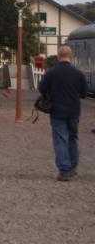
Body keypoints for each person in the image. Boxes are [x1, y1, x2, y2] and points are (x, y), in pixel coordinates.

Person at [38, 46, 87, 181]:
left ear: (58, 56)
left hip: (57, 110)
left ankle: (64, 171)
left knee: (60, 140)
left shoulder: (51, 73)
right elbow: (83, 94)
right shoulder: (78, 74)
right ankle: (73, 166)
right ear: (71, 57)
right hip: (74, 111)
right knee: (73, 138)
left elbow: (42, 89)